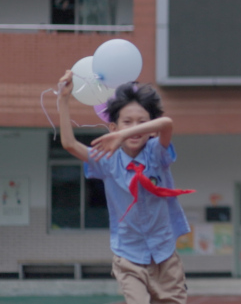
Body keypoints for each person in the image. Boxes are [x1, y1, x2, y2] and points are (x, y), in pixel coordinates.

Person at [57, 70, 192, 304]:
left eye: (141, 123)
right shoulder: (107, 160)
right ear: (112, 128)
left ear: (149, 129)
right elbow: (69, 144)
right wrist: (63, 99)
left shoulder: (157, 154)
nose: (134, 128)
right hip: (129, 257)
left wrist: (125, 133)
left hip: (164, 255)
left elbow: (166, 123)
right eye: (126, 122)